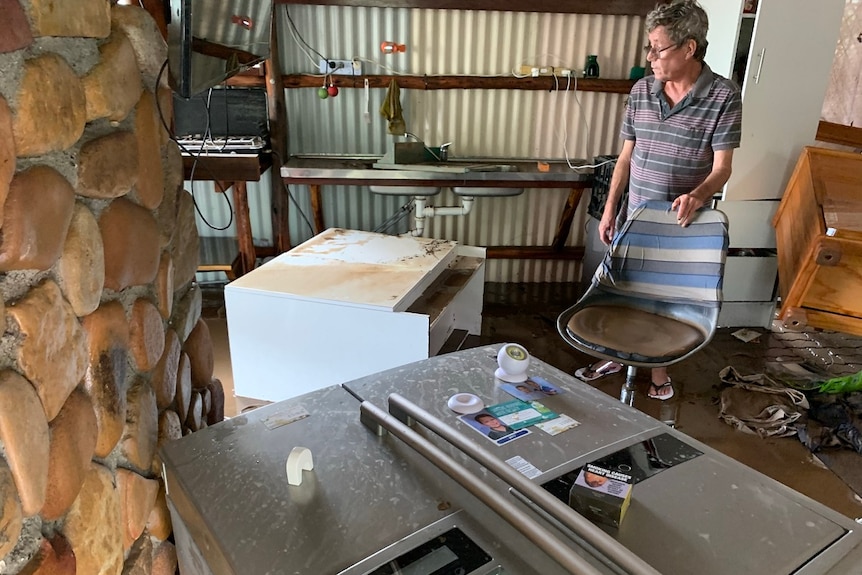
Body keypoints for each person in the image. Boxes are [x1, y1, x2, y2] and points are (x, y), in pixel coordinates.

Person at [575, 0, 742, 401]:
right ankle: (616, 355)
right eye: (648, 47)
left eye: (658, 48)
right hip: (636, 215)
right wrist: (610, 209)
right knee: (624, 290)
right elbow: (625, 158)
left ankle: (656, 370)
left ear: (689, 48)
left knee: (664, 301)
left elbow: (723, 168)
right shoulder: (641, 91)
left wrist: (698, 195)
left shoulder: (723, 96)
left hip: (683, 222)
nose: (650, 57)